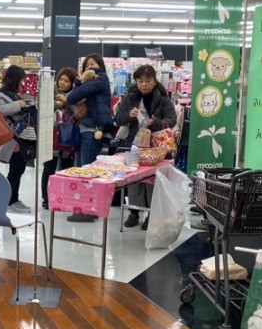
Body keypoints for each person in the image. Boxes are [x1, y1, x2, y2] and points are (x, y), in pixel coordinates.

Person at [113, 64, 177, 229]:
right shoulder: (130, 97)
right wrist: (128, 115)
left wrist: (155, 122)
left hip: (157, 147)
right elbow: (118, 118)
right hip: (135, 144)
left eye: (147, 81)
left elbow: (172, 120)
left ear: (154, 81)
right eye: (140, 81)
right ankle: (134, 212)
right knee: (134, 180)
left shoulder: (163, 99)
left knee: (152, 181)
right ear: (136, 81)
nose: (143, 84)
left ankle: (151, 214)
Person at [59, 53, 113, 222]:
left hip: (92, 129)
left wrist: (81, 80)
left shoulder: (101, 78)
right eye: (87, 65)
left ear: (101, 66)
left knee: (87, 171)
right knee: (83, 169)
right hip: (87, 128)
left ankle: (87, 211)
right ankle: (85, 208)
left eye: (93, 64)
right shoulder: (93, 81)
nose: (90, 67)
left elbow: (72, 97)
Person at [0, 64, 35, 214]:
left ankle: (13, 199)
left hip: (20, 138)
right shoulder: (0, 94)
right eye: (21, 80)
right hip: (11, 139)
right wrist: (19, 104)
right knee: (15, 171)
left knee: (18, 169)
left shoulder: (14, 94)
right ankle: (8, 201)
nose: (22, 84)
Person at [41, 67, 78, 209]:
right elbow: (43, 109)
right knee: (48, 169)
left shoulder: (76, 96)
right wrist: (55, 103)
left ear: (72, 83)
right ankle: (46, 198)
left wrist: (67, 102)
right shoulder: (49, 94)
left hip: (69, 137)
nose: (62, 83)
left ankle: (66, 197)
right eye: (60, 79)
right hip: (51, 136)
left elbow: (79, 113)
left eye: (66, 81)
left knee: (67, 170)